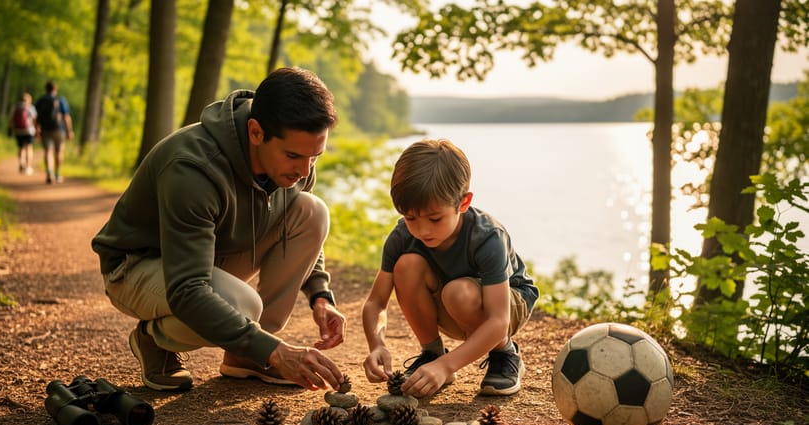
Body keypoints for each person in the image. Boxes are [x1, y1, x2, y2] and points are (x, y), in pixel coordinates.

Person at [92, 67, 346, 393]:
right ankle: (154, 340)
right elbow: (188, 290)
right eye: (294, 155)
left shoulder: (294, 161)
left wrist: (320, 295)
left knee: (313, 211)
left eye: (316, 156)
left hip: (208, 253)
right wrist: (275, 349)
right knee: (242, 305)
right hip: (137, 266)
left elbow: (295, 223)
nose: (304, 169)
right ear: (256, 132)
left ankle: (248, 356)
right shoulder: (193, 168)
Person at [361, 139, 539, 398]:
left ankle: (505, 353)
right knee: (407, 265)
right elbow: (376, 303)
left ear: (463, 203)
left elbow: (498, 321)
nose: (422, 230)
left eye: (435, 219)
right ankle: (431, 353)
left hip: (506, 307)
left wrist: (446, 367)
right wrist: (376, 345)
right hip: (451, 305)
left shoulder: (487, 236)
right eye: (410, 217)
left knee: (458, 292)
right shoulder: (402, 236)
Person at [34, 81, 74, 184]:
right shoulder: (60, 100)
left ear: (46, 89)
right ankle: (57, 174)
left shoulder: (41, 100)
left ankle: (49, 173)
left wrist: (36, 130)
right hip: (59, 130)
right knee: (59, 152)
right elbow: (66, 117)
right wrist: (69, 131)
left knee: (48, 152)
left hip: (45, 130)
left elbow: (36, 117)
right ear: (55, 89)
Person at [9, 92, 37, 175]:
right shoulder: (30, 107)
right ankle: (28, 167)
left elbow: (11, 119)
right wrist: (37, 129)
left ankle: (21, 162)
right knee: (29, 148)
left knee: (21, 148)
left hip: (18, 131)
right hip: (29, 131)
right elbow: (35, 119)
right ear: (29, 100)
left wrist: (10, 129)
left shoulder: (15, 107)